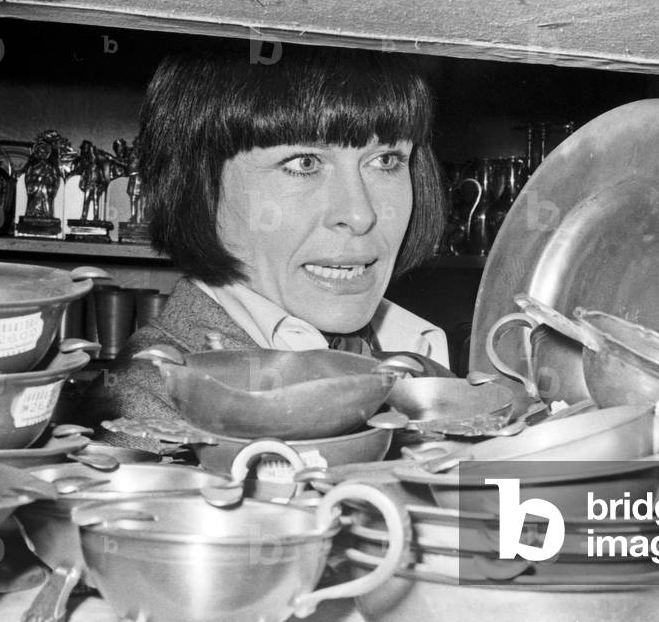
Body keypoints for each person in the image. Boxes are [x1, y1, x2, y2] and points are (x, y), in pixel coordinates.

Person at [87, 44, 449, 448]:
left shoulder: (414, 347)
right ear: (195, 186)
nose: (360, 213)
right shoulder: (150, 415)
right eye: (304, 163)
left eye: (385, 160)